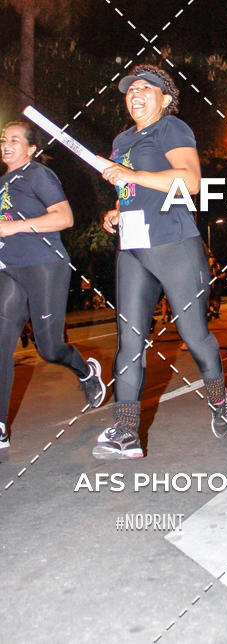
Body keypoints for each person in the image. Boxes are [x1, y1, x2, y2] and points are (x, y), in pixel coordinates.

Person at [93, 64, 227, 459]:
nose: (134, 94)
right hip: (133, 246)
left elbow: (189, 182)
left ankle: (218, 397)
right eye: (129, 89)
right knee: (129, 342)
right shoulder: (122, 139)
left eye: (145, 88)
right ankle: (126, 431)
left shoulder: (171, 128)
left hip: (175, 244)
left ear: (165, 99)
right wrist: (117, 211)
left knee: (194, 337)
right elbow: (131, 189)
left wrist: (130, 174)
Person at [0, 120, 105, 448]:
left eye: (15, 140)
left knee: (49, 348)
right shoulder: (3, 182)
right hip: (9, 269)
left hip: (44, 266)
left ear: (31, 148)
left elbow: (64, 217)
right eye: (4, 139)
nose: (7, 144)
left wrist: (16, 228)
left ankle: (86, 372)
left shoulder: (38, 174)